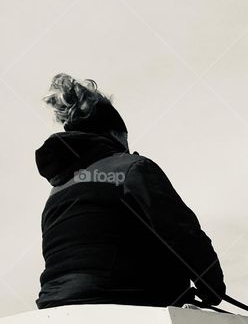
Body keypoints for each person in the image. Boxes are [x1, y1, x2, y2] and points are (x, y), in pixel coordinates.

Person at [34, 73, 226, 309]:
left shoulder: (57, 192)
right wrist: (212, 285)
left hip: (56, 307)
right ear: (116, 134)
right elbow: (182, 232)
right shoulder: (131, 168)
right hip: (124, 301)